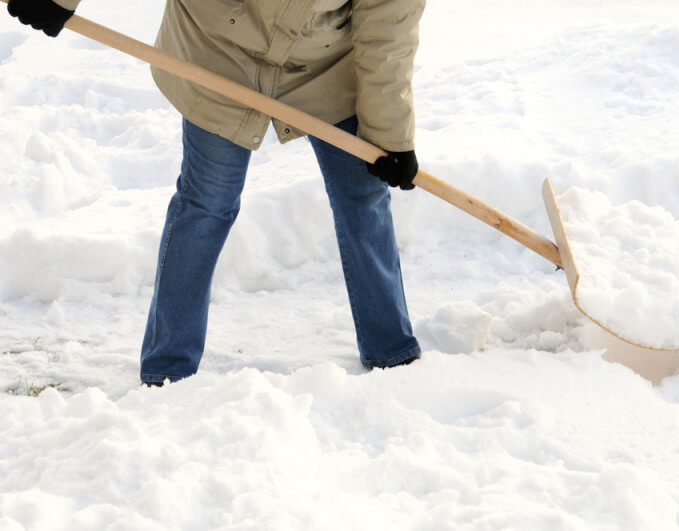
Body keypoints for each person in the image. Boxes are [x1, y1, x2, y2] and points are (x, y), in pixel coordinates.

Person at [8, 0, 426, 385]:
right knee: (207, 203)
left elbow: (387, 25)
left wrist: (390, 135)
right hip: (217, 49)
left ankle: (391, 351)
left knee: (364, 196)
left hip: (325, 62)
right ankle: (168, 369)